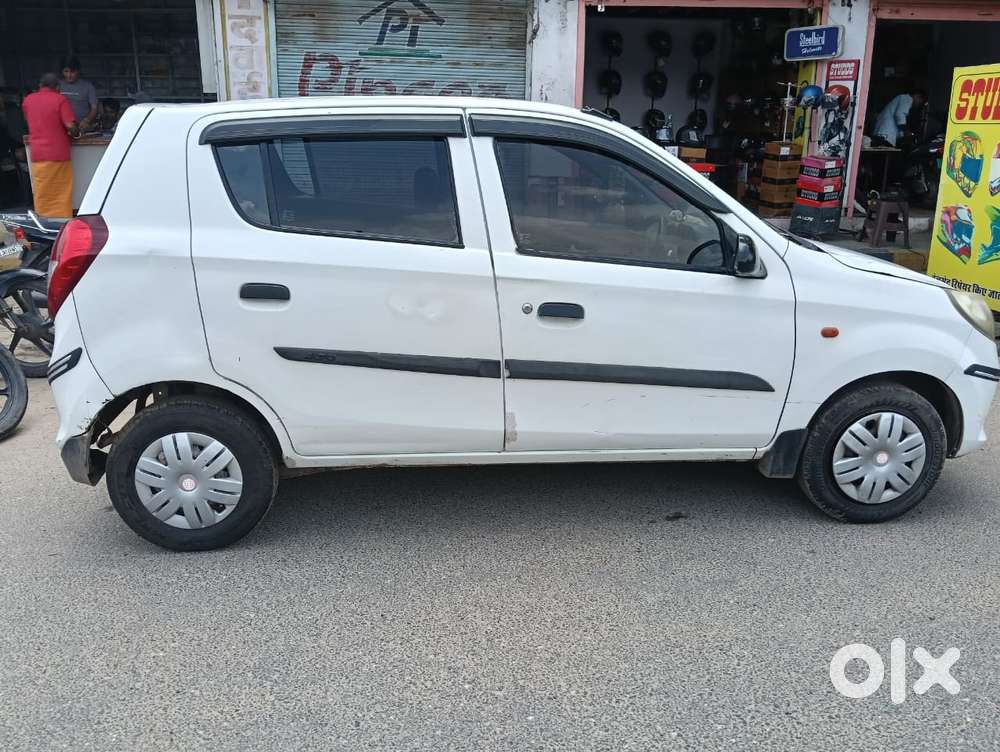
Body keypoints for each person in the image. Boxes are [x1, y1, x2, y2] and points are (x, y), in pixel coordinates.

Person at [21, 73, 78, 218]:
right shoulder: (60, 99)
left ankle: (44, 222)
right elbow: (70, 126)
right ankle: (62, 223)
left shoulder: (27, 100)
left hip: (38, 154)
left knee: (42, 191)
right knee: (61, 191)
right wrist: (77, 130)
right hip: (58, 152)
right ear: (57, 87)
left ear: (40, 86)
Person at [59, 56, 98, 130]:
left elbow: (94, 108)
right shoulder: (57, 86)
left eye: (72, 72)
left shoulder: (88, 86)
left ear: (78, 71)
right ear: (62, 71)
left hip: (82, 128)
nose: (69, 75)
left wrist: (87, 120)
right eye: (66, 71)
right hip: (61, 128)